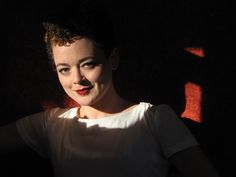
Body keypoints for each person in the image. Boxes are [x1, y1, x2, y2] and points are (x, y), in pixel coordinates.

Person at [0, 0, 220, 177]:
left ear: (112, 59)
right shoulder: (52, 124)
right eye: (64, 69)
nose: (77, 79)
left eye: (88, 64)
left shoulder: (154, 119)